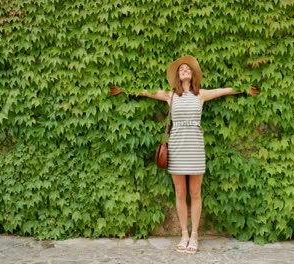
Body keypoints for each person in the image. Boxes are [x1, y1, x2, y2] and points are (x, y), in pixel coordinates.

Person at [110, 55, 259, 253]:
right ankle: (184, 234)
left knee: (195, 193)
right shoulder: (170, 95)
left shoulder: (201, 94)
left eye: (188, 68)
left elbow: (224, 91)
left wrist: (244, 89)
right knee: (180, 193)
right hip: (177, 147)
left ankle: (195, 236)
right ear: (178, 76)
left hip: (195, 147)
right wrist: (123, 90)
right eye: (181, 69)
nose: (185, 70)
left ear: (193, 74)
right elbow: (145, 92)